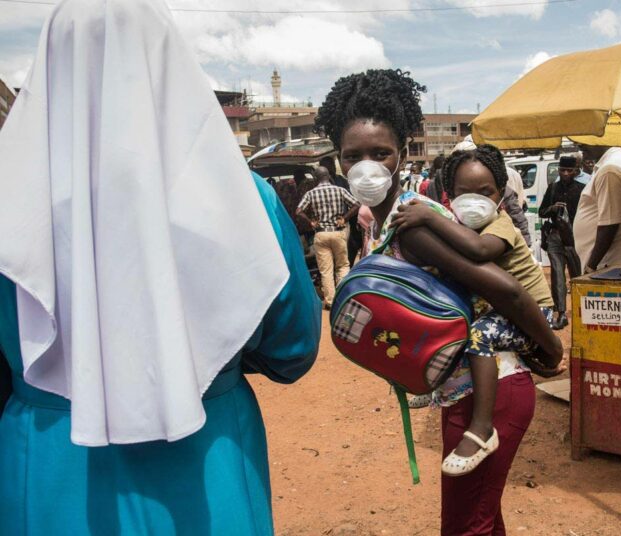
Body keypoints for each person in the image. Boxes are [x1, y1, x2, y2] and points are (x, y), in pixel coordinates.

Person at [0, 1, 321, 533]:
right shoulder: (246, 199)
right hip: (208, 466)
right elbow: (293, 351)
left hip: (49, 468)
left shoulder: (8, 202)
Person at [314, 68, 562, 535]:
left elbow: (506, 289)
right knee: (482, 520)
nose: (367, 166)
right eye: (354, 156)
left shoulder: (418, 225)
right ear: (339, 161)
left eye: (380, 153)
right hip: (464, 392)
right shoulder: (382, 224)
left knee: (466, 526)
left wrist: (550, 347)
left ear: (403, 153)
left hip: (490, 393)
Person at [392, 145, 556, 475]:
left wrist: (428, 216)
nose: (475, 199)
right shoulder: (463, 226)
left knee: (479, 335)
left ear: (500, 195)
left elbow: (479, 251)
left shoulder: (501, 224)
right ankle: (432, 387)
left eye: (485, 192)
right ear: (449, 195)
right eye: (464, 192)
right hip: (501, 312)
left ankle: (482, 428)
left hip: (534, 312)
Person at [573, 145, 621, 273]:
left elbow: (610, 223)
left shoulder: (611, 169)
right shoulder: (618, 163)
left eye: (586, 138)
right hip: (619, 256)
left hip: (615, 257)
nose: (581, 145)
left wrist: (591, 265)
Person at [296, 166, 360, 309]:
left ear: (316, 178)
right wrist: (344, 218)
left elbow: (299, 211)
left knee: (326, 270)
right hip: (338, 233)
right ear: (329, 176)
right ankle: (344, 297)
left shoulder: (311, 193)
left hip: (321, 234)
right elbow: (356, 204)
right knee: (342, 266)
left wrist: (311, 222)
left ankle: (330, 301)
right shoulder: (340, 190)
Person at [539, 155, 585, 329]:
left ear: (576, 171)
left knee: (577, 277)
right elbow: (542, 212)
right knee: (557, 275)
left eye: (569, 170)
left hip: (575, 238)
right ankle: (561, 314)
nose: (565, 173)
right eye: (562, 170)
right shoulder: (553, 188)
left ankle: (581, 312)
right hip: (555, 237)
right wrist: (552, 208)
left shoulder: (582, 190)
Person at [321, 155, 362, 266]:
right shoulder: (320, 184)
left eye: (333, 165)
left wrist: (346, 217)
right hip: (327, 223)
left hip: (345, 221)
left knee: (348, 250)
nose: (333, 168)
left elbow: (352, 198)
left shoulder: (341, 180)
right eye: (329, 165)